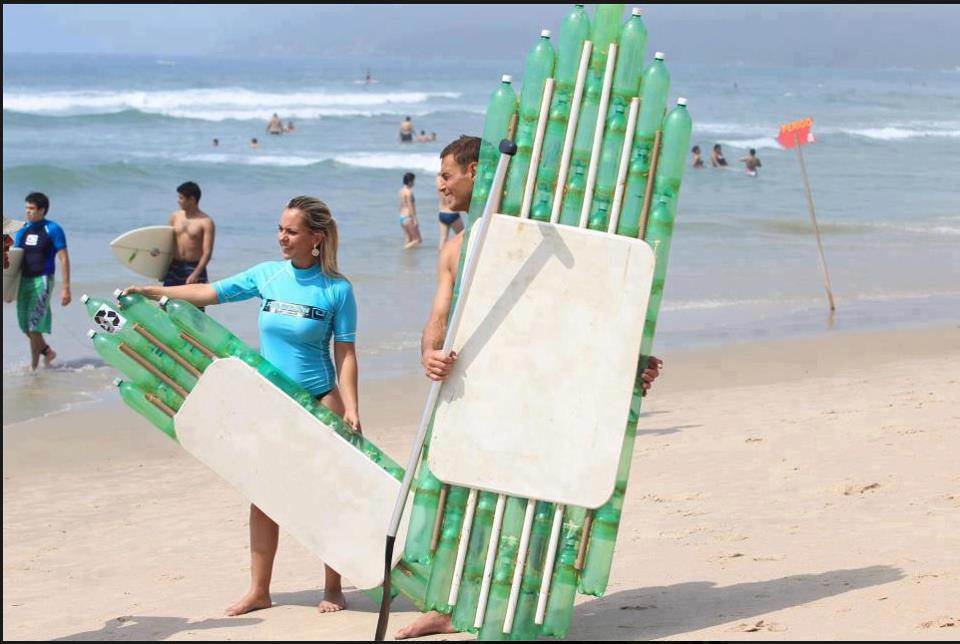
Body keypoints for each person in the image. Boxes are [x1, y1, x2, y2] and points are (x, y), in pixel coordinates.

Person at [394, 136, 662, 640]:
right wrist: (429, 355)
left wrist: (630, 365)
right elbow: (438, 321)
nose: (440, 185)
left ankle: (521, 603)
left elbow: (591, 310)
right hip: (473, 392)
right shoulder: (455, 249)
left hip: (534, 390)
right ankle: (446, 606)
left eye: (447, 174)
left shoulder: (544, 240)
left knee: (530, 497)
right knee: (457, 498)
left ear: (476, 172)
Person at [122, 196, 360, 616]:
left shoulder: (336, 289)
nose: (282, 237)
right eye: (280, 229)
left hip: (321, 402)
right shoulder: (267, 275)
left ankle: (333, 587)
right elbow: (209, 292)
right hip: (271, 403)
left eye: (291, 231)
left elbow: (345, 352)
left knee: (325, 494)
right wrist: (153, 291)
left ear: (316, 238)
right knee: (263, 495)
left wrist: (353, 407)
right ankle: (259, 590)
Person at [13, 193, 71, 370]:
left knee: (34, 326)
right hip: (24, 281)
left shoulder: (52, 229)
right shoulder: (23, 230)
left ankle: (34, 368)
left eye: (31, 208)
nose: (27, 212)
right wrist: (7, 290)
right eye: (26, 208)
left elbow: (63, 258)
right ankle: (47, 351)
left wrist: (66, 288)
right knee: (25, 326)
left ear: (42, 210)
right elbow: (14, 259)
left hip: (43, 280)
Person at [163, 182, 215, 291]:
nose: (178, 201)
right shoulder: (175, 216)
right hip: (174, 266)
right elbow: (166, 243)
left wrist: (196, 273)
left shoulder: (206, 222)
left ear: (191, 199)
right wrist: (160, 269)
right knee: (166, 299)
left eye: (181, 198)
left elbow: (207, 253)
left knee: (194, 300)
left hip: (194, 267)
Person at [435, 173, 463, 248]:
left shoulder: (438, 180)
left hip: (442, 213)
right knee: (462, 237)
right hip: (452, 214)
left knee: (443, 238)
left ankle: (441, 255)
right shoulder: (451, 181)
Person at [398, 172, 422, 249]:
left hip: (402, 217)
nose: (414, 183)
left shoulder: (401, 191)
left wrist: (401, 215)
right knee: (418, 240)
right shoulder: (409, 192)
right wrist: (415, 219)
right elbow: (410, 206)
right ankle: (403, 249)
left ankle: (407, 256)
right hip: (408, 217)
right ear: (410, 181)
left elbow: (400, 205)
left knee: (409, 238)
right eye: (413, 181)